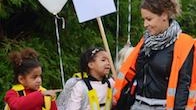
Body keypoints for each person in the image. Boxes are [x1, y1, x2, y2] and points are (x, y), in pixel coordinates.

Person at [113, 0, 196, 110]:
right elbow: (130, 75)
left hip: (164, 106)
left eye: (149, 19)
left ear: (164, 15)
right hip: (137, 104)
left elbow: (184, 85)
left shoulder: (184, 43)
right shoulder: (145, 42)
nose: (145, 24)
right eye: (144, 19)